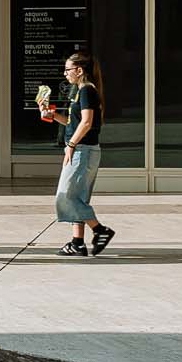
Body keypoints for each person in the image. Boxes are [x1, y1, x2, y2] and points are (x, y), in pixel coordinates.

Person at [40, 49, 115, 257]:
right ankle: (77, 243)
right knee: (77, 197)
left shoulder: (86, 91)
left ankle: (100, 230)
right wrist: (53, 115)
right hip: (82, 149)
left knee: (65, 196)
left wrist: (71, 145)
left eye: (67, 70)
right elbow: (74, 122)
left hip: (82, 150)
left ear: (79, 70)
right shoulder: (80, 91)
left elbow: (87, 122)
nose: (65, 74)